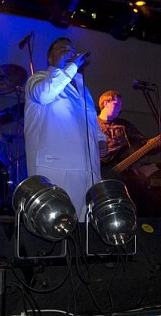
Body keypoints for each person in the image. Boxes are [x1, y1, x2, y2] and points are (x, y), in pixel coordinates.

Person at [24, 37, 108, 217]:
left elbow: (90, 118)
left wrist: (100, 138)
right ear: (50, 58)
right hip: (56, 167)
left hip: (88, 168)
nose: (69, 52)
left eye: (71, 50)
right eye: (62, 49)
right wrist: (69, 66)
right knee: (58, 221)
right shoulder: (38, 79)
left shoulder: (82, 88)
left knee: (86, 226)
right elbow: (45, 94)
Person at [98, 90, 161, 216]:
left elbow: (145, 145)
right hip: (100, 173)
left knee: (144, 201)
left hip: (125, 172)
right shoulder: (93, 124)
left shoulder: (124, 126)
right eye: (117, 104)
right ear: (105, 103)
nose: (120, 108)